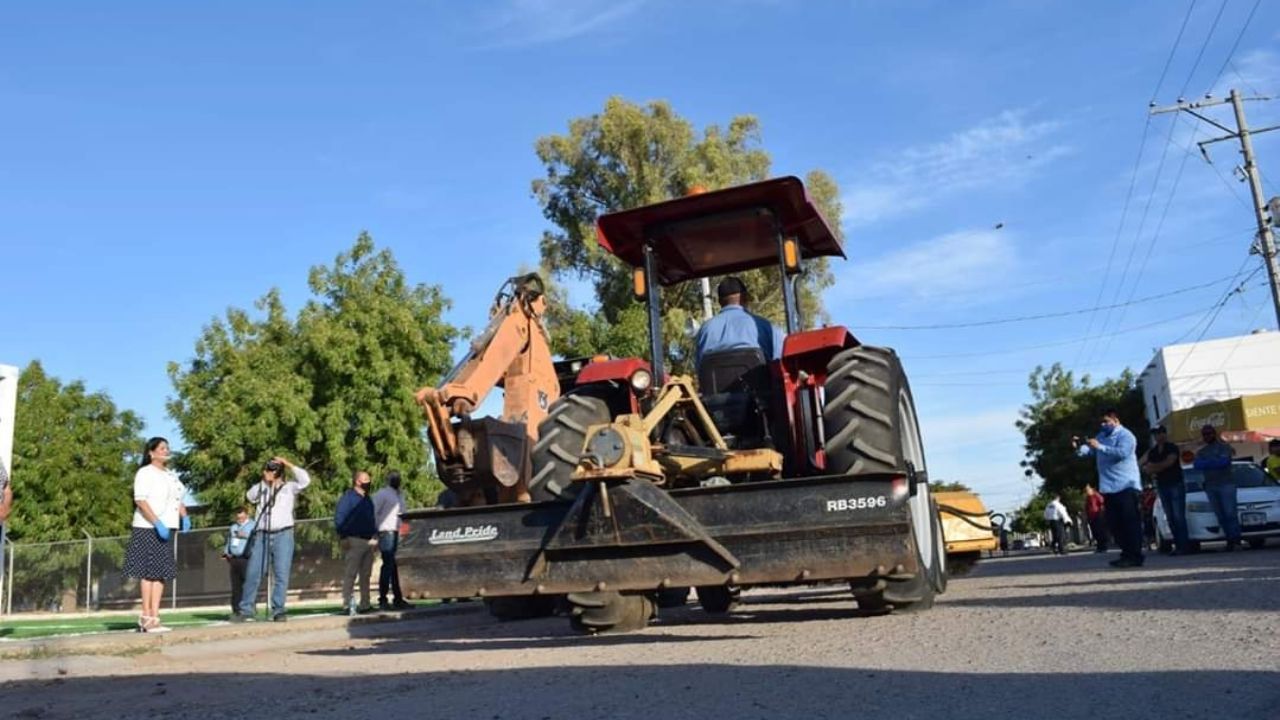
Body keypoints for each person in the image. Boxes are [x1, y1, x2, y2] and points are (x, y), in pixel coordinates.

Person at [122, 437, 190, 633]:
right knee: (149, 572)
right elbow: (141, 500)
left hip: (168, 526)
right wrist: (156, 522)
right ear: (151, 452)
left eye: (167, 448)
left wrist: (184, 516)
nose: (166, 451)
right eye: (161, 448)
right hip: (148, 527)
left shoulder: (171, 475)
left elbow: (177, 499)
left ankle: (156, 615)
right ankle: (146, 616)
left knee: (161, 573)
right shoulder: (145, 473)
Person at [233, 456, 310, 622]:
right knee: (254, 572)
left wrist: (287, 463)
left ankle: (279, 609)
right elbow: (250, 496)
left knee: (281, 574)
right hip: (262, 534)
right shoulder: (261, 488)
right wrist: (264, 481)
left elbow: (305, 480)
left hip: (284, 534)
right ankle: (246, 609)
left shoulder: (289, 487)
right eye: (268, 468)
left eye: (273, 469)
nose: (269, 471)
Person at [1075, 408, 1144, 568]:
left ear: (1116, 421)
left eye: (1106, 421)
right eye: (1102, 422)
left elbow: (1123, 453)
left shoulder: (1126, 436)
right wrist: (1079, 447)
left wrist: (1100, 447)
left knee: (1129, 523)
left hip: (1126, 485)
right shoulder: (1101, 436)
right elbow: (1090, 451)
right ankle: (1125, 554)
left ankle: (1135, 555)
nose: (1103, 424)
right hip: (1109, 488)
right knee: (1114, 524)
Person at [694, 276, 786, 369]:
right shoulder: (765, 327)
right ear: (745, 298)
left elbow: (700, 369)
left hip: (716, 384)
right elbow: (783, 363)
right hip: (757, 383)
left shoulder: (705, 331)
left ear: (720, 302)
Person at [1141, 425, 1189, 555]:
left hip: (1175, 484)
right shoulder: (1153, 451)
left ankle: (1184, 545)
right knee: (1170, 517)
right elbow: (1144, 465)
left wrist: (1155, 467)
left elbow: (1169, 462)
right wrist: (1154, 467)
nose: (1157, 436)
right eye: (1155, 434)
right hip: (1162, 485)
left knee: (1179, 516)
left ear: (1165, 433)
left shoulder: (1171, 447)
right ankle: (1178, 545)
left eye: (1160, 433)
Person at [335, 470, 377, 616]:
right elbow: (340, 517)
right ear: (357, 481)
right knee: (350, 573)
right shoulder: (348, 498)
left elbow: (372, 519)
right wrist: (343, 536)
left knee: (366, 575)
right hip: (354, 539)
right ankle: (347, 604)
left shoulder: (368, 499)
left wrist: (375, 536)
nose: (368, 482)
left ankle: (365, 604)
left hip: (368, 540)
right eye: (365, 479)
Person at [1193, 424, 1240, 551]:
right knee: (1220, 515)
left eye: (1209, 433)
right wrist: (1215, 462)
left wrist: (1208, 463)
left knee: (1230, 513)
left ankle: (1236, 540)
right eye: (1205, 434)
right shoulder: (1202, 451)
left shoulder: (1224, 447)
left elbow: (1224, 462)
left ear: (1215, 433)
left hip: (1226, 484)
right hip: (1211, 486)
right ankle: (1229, 540)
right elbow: (1197, 465)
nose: (1207, 436)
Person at [372, 470, 412, 611]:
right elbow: (374, 512)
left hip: (398, 533)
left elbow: (403, 515)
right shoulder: (382, 494)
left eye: (398, 477)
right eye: (393, 478)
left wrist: (406, 531)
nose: (396, 480)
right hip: (387, 532)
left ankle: (398, 598)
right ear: (388, 480)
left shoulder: (400, 494)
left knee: (397, 567)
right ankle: (383, 599)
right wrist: (376, 532)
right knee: (388, 565)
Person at [222, 507, 255, 614]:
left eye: (242, 517)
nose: (239, 519)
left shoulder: (252, 525)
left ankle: (248, 608)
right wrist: (226, 552)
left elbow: (255, 539)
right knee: (236, 585)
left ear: (246, 515)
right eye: (238, 517)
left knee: (248, 584)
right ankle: (236, 609)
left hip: (246, 558)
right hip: (234, 559)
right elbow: (230, 540)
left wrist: (243, 535)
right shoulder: (233, 527)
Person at [1084, 484, 1108, 552]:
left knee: (1100, 531)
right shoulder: (1088, 497)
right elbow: (1087, 508)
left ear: (1092, 489)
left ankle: (1103, 546)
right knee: (1095, 532)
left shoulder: (1096, 495)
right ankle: (1099, 546)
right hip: (1091, 517)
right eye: (1086, 490)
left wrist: (1101, 513)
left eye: (1088, 489)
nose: (1086, 491)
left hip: (1098, 515)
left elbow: (1102, 503)